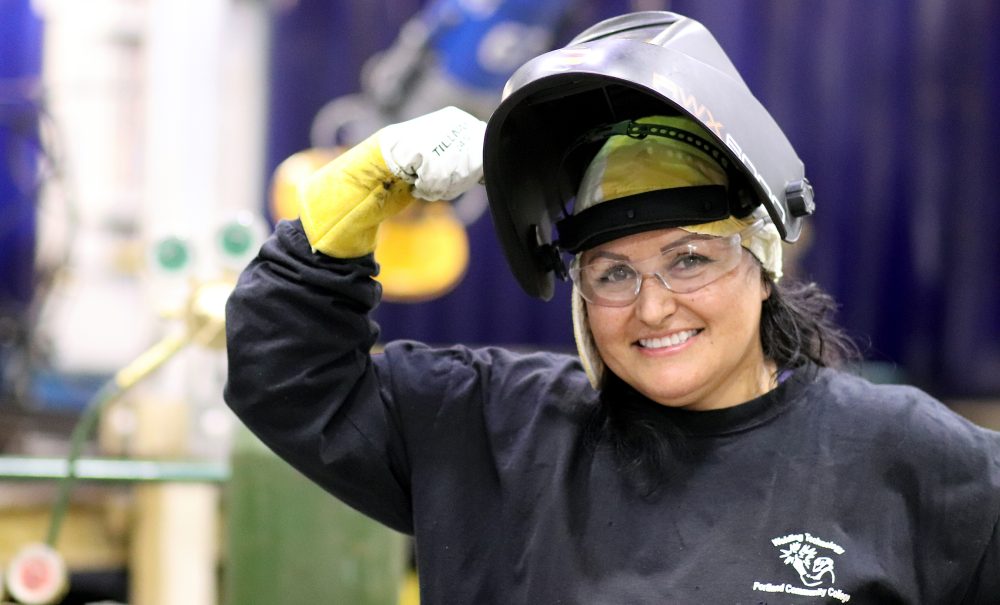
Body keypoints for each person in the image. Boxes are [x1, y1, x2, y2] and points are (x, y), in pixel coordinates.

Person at [224, 11, 1000, 604]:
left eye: (689, 259)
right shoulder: (495, 433)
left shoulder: (907, 459)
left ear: (762, 263)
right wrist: (336, 220)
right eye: (613, 273)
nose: (653, 307)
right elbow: (288, 377)